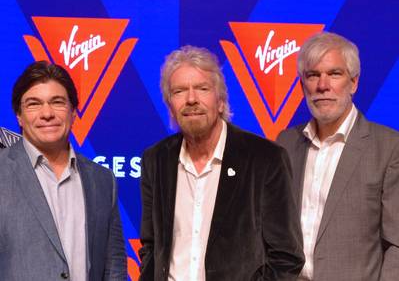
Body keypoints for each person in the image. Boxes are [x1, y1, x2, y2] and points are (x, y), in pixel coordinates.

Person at [138, 45, 304, 281]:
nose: (191, 99)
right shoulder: (156, 159)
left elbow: (287, 256)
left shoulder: (265, 158)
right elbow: (151, 247)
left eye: (202, 88)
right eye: (179, 91)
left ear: (221, 101)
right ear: (171, 108)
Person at [277, 32, 399, 280]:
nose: (323, 86)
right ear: (302, 85)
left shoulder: (388, 147)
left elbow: (397, 243)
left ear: (354, 82)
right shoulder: (285, 143)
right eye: (313, 75)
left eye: (334, 74)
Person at [0, 61, 127, 280]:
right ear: (19, 116)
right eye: (34, 104)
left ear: (73, 111)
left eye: (57, 102)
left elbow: (113, 266)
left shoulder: (102, 180)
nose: (47, 113)